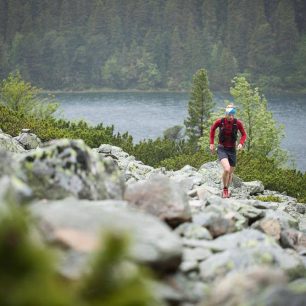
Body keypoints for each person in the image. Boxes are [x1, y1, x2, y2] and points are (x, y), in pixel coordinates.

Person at [209, 104, 247, 198]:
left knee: (230, 173)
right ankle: (225, 189)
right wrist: (212, 143)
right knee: (227, 169)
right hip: (222, 148)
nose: (231, 116)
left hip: (232, 150)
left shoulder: (237, 123)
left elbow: (244, 135)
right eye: (229, 114)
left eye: (232, 114)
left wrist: (241, 143)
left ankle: (227, 189)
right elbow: (212, 129)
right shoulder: (220, 121)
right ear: (226, 113)